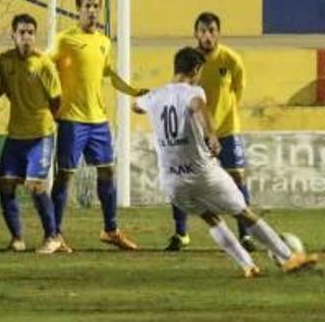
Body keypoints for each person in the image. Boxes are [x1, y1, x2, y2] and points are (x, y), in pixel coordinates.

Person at [134, 47, 317, 277]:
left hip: (172, 182)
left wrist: (146, 98)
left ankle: (247, 265)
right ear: (196, 69)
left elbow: (135, 105)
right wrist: (211, 134)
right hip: (203, 174)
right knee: (243, 213)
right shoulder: (193, 91)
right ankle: (288, 258)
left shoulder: (155, 97)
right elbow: (199, 107)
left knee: (211, 218)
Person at [50, 0, 145, 251]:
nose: (92, 11)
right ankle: (54, 233)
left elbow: (110, 75)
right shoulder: (64, 40)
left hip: (98, 120)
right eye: (88, 6)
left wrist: (133, 91)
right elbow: (45, 67)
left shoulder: (103, 42)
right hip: (71, 119)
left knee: (107, 171)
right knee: (65, 176)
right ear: (77, 9)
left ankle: (110, 229)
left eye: (96, 6)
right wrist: (49, 103)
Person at [165, 12, 253, 252]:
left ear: (218, 33)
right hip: (193, 134)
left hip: (226, 129)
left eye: (211, 30)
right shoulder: (190, 63)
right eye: (202, 31)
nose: (207, 35)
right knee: (181, 180)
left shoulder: (231, 59)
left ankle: (246, 235)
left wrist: (220, 120)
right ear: (195, 34)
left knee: (236, 178)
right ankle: (181, 234)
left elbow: (238, 92)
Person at [0, 14, 64, 253]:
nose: (27, 37)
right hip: (15, 136)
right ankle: (17, 238)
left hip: (40, 135)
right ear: (13, 35)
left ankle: (52, 236)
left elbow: (56, 99)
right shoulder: (4, 61)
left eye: (31, 32)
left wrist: (47, 122)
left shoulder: (43, 64)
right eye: (22, 32)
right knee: (6, 185)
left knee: (35, 186)